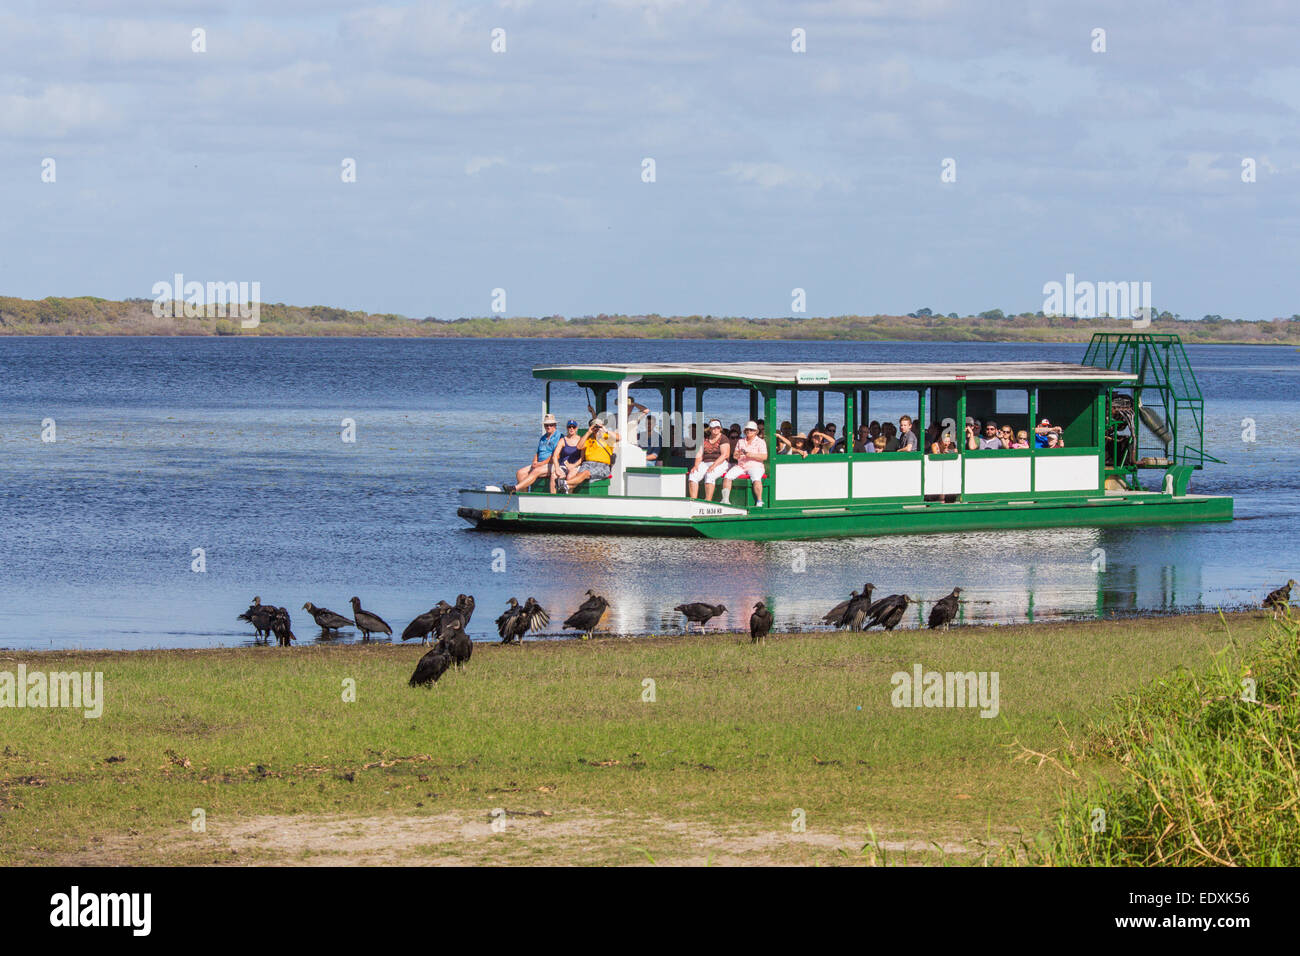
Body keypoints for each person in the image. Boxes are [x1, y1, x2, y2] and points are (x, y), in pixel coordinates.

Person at [721, 421, 767, 507]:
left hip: (755, 465)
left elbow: (764, 456)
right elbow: (735, 456)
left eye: (751, 430)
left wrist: (750, 455)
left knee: (756, 479)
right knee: (727, 476)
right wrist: (737, 454)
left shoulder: (761, 442)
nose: (749, 431)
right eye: (747, 430)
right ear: (744, 431)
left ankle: (759, 500)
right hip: (741, 466)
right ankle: (725, 499)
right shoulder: (740, 441)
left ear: (756, 431)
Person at [510, 413, 561, 493]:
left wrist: (540, 464)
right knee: (520, 473)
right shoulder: (543, 438)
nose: (548, 427)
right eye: (546, 425)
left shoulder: (559, 436)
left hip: (552, 464)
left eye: (551, 425)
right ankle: (524, 496)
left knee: (536, 471)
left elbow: (556, 456)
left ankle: (515, 488)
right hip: (540, 463)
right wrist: (535, 462)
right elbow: (538, 453)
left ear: (555, 425)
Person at [688, 420, 731, 500]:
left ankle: (708, 500)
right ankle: (693, 500)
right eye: (713, 428)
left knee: (710, 475)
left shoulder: (723, 438)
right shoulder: (705, 439)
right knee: (693, 475)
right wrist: (696, 465)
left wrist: (714, 465)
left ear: (720, 428)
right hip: (705, 462)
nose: (716, 429)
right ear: (710, 429)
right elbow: (699, 454)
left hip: (720, 463)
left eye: (717, 428)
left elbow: (725, 455)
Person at [549, 419, 586, 493]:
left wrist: (573, 465)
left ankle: (568, 497)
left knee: (570, 476)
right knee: (553, 476)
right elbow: (555, 456)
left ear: (576, 428)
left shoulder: (581, 440)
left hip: (575, 465)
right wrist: (557, 468)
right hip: (563, 465)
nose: (571, 429)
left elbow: (582, 458)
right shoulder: (563, 440)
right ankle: (553, 498)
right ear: (567, 428)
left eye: (573, 427)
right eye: (569, 427)